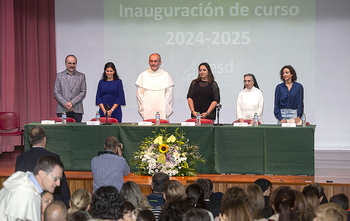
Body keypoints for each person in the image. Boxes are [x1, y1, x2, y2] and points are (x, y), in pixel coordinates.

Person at [15, 126, 71, 208]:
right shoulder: (54, 157)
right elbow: (62, 186)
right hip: (52, 205)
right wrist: (68, 204)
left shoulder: (20, 158)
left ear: (30, 141)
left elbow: (17, 184)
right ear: (44, 139)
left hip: (28, 204)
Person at [0, 155, 64, 221]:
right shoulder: (27, 195)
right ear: (41, 174)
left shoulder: (24, 179)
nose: (58, 184)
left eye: (60, 179)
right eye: (55, 178)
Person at [135, 53, 175, 120]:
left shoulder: (165, 75)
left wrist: (164, 108)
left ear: (160, 62)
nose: (153, 63)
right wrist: (144, 107)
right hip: (147, 110)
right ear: (148, 62)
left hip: (162, 109)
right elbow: (139, 95)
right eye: (151, 61)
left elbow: (169, 95)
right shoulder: (143, 75)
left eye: (155, 61)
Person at [54, 54, 87, 122]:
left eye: (74, 63)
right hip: (62, 109)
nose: (72, 65)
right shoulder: (59, 76)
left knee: (77, 132)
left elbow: (83, 92)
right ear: (66, 63)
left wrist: (72, 103)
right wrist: (65, 104)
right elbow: (56, 92)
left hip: (77, 110)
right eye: (70, 63)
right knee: (62, 132)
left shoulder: (81, 76)